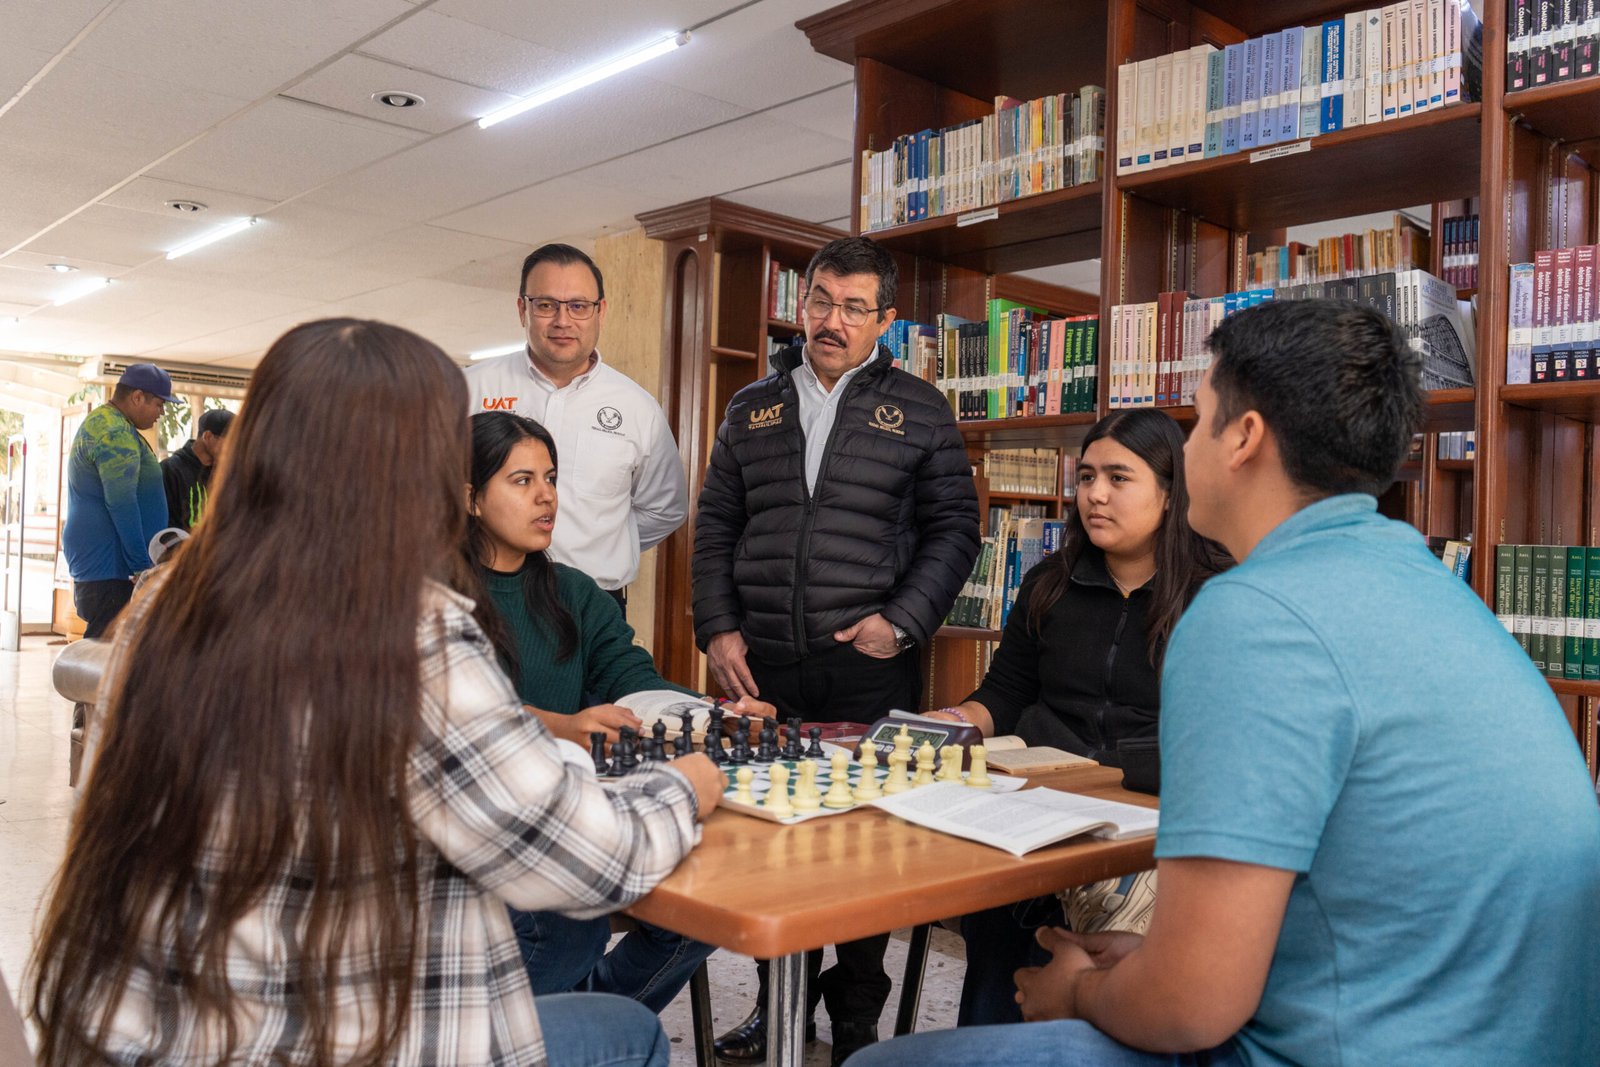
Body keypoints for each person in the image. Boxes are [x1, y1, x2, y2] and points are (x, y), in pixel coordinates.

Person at [846, 299, 1600, 1067]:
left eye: (1200, 420)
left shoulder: (1250, 613)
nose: (1188, 445)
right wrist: (1147, 963)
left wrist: (1078, 991)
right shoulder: (1436, 588)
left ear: (1243, 438)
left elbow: (1187, 1007)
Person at [27, 318, 726, 1067]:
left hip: (151, 1034)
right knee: (626, 1031)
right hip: (318, 1040)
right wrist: (684, 786)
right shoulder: (408, 629)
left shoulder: (166, 603)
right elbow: (580, 853)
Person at [692, 235, 980, 1064]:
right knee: (773, 843)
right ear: (804, 302)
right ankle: (778, 1003)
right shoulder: (752, 406)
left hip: (868, 663)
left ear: (885, 320)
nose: (832, 320)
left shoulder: (921, 408)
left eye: (855, 308)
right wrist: (717, 625)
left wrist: (904, 621)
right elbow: (715, 525)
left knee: (864, 844)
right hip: (764, 665)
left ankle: (856, 1016)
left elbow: (955, 529)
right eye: (821, 300)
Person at [923, 408, 1229, 1027]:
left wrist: (1105, 772)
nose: (1095, 494)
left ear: (1171, 493)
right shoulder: (1049, 583)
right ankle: (991, 1038)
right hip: (1038, 802)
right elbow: (1004, 694)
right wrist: (947, 722)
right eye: (1086, 476)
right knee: (995, 902)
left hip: (1149, 814)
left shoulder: (1218, 595)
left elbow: (1221, 741)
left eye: (1119, 478)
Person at [462, 410, 769, 1012]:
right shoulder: (430, 598)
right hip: (485, 827)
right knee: (562, 925)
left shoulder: (575, 593)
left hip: (575, 814)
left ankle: (587, 1020)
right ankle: (559, 1027)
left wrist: (715, 715)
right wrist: (560, 727)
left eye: (550, 478)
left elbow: (633, 680)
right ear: (470, 497)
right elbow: (442, 717)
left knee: (708, 900)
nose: (546, 496)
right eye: (522, 481)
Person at [464, 243, 688, 614]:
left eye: (579, 306)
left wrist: (606, 546)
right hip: (483, 594)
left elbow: (664, 509)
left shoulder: (637, 408)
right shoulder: (469, 389)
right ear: (522, 309)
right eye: (546, 305)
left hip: (593, 605)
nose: (563, 321)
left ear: (601, 311)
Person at [61, 362, 176, 638]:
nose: (161, 413)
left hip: (109, 563)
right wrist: (141, 566)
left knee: (109, 650)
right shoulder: (114, 433)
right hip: (112, 565)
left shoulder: (112, 423)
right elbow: (122, 504)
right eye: (159, 404)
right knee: (104, 652)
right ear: (137, 397)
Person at [160, 406, 234, 530]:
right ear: (208, 436)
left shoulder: (226, 473)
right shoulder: (171, 470)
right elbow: (164, 523)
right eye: (231, 442)